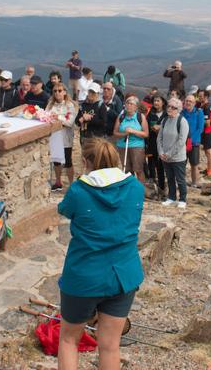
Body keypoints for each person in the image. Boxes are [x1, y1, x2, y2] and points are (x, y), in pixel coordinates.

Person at [57, 139, 144, 370]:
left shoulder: (79, 190)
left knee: (68, 339)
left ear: (85, 162)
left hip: (85, 275)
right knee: (110, 345)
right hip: (123, 275)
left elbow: (64, 209)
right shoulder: (136, 188)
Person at [158, 97, 189, 207]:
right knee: (170, 178)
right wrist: (161, 152)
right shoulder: (165, 120)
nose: (170, 109)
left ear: (179, 109)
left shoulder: (182, 121)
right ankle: (171, 197)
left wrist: (169, 154)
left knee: (180, 179)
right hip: (165, 156)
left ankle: (182, 199)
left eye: (173, 107)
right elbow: (159, 138)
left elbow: (181, 141)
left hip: (178, 157)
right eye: (169, 106)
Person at [47, 83, 79, 190]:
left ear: (65, 92)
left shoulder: (70, 105)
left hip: (65, 137)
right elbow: (46, 117)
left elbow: (70, 122)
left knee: (68, 160)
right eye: (55, 91)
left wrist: (57, 117)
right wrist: (58, 119)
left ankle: (71, 184)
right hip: (54, 136)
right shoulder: (51, 105)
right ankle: (58, 181)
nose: (57, 93)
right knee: (56, 160)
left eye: (60, 90)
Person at [114, 96, 148, 181]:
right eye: (127, 103)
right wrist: (124, 134)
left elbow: (146, 134)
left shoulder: (140, 117)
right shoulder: (121, 117)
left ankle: (140, 191)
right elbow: (115, 133)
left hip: (137, 146)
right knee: (127, 171)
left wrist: (133, 131)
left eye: (131, 104)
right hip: (122, 146)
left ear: (136, 107)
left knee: (138, 170)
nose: (129, 105)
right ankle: (130, 190)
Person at [145, 96, 168, 197]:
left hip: (163, 144)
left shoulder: (167, 114)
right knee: (151, 164)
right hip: (152, 143)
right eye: (154, 100)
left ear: (163, 102)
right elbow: (146, 126)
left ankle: (162, 188)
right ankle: (153, 188)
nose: (156, 103)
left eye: (158, 101)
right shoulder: (150, 114)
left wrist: (161, 128)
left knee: (161, 167)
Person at [181, 94, 205, 188]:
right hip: (182, 143)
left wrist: (190, 139)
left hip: (194, 143)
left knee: (194, 164)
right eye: (187, 101)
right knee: (181, 163)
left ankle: (194, 182)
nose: (188, 103)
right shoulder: (181, 113)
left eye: (190, 101)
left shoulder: (199, 113)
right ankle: (181, 182)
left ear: (194, 103)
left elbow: (200, 128)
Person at [195, 89, 211, 178]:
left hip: (208, 132)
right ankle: (207, 169)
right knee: (205, 150)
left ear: (206, 97)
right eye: (198, 96)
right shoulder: (200, 105)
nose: (199, 98)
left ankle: (210, 170)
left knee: (208, 151)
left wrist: (198, 120)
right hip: (202, 132)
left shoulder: (207, 107)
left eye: (201, 96)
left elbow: (207, 123)